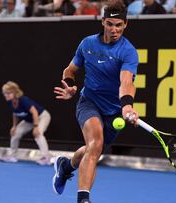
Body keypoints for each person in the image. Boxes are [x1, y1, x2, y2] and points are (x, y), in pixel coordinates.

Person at [52, 0, 139, 202]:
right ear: (103, 22)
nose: (114, 29)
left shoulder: (128, 52)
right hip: (88, 102)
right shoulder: (87, 44)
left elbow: (126, 82)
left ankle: (66, 166)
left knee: (93, 149)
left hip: (115, 110)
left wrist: (126, 106)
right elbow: (70, 71)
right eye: (110, 24)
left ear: (125, 24)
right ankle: (83, 198)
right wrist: (69, 84)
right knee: (96, 143)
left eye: (119, 25)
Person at [1, 81, 52, 165]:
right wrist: (14, 126)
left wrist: (36, 127)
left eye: (8, 93)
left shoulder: (24, 100)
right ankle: (12, 156)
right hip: (29, 120)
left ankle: (47, 158)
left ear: (15, 92)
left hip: (42, 116)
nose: (6, 95)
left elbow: (34, 112)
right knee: (15, 133)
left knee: (37, 133)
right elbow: (15, 113)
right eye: (5, 93)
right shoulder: (10, 102)